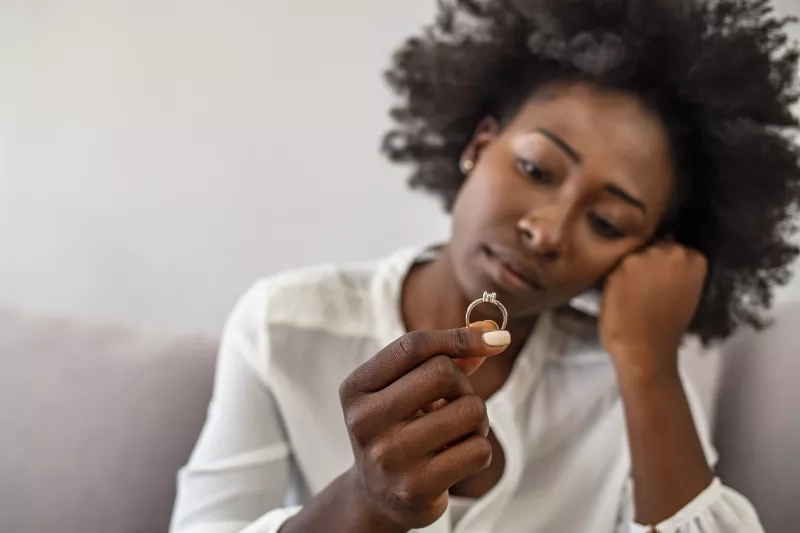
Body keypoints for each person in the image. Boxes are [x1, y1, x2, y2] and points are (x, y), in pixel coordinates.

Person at [170, 0, 800, 532]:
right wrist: (363, 500)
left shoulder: (632, 373)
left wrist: (647, 366)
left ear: (643, 254)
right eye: (534, 169)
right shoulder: (288, 324)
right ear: (479, 146)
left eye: (607, 223)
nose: (546, 231)